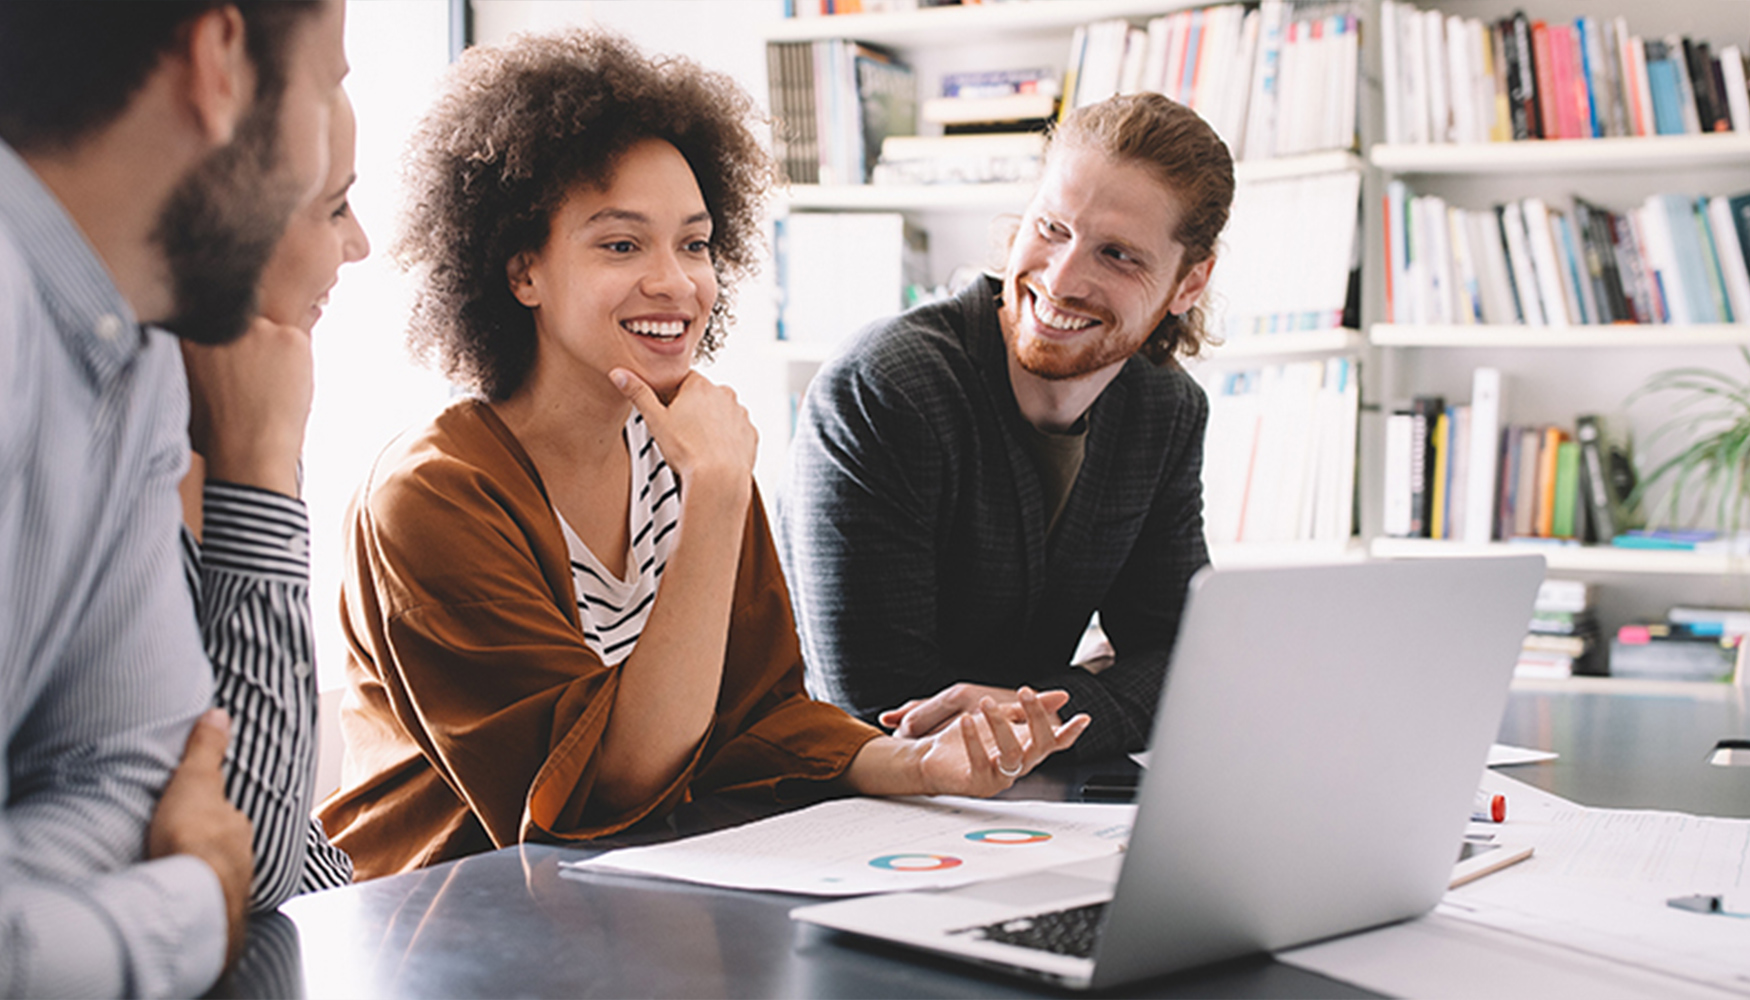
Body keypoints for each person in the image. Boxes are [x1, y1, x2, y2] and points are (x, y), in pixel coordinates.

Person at [317, 28, 1088, 880]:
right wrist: (716, 495)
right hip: (445, 922)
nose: (677, 283)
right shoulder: (432, 496)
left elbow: (756, 718)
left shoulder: (686, 455)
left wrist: (917, 762)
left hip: (643, 895)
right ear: (522, 271)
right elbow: (600, 793)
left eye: (693, 243)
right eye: (621, 244)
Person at [0, 2, 347, 995]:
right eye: (326, 85)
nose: (353, 239)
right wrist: (189, 902)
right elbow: (200, 856)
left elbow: (138, 780)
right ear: (220, 63)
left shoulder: (133, 358)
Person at [778, 93, 1234, 761]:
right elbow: (884, 714)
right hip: (842, 814)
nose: (1061, 280)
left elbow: (1186, 665)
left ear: (1189, 284)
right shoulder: (885, 389)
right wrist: (1094, 691)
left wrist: (1040, 715)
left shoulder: (1164, 412)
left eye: (1117, 255)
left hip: (1030, 803)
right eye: (1051, 228)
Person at [178, 89, 372, 898]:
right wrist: (260, 462)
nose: (359, 245)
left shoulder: (246, 400)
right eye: (335, 209)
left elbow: (291, 841)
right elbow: (249, 865)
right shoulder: (239, 435)